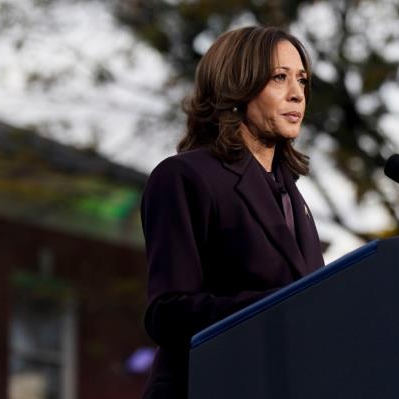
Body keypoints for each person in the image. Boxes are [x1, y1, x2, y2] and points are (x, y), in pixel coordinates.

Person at [140, 26, 325, 399]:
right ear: (236, 87)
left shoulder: (295, 199)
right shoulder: (185, 177)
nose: (297, 94)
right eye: (279, 78)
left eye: (302, 81)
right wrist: (287, 308)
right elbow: (169, 313)